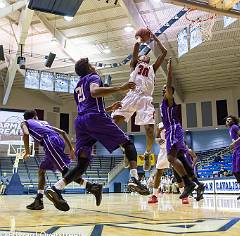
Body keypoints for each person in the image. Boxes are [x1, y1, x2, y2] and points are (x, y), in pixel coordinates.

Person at [45, 58, 149, 212]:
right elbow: (94, 93)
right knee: (128, 143)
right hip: (94, 118)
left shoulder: (77, 86)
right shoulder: (93, 77)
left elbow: (86, 106)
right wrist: (121, 88)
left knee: (82, 164)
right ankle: (134, 178)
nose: (94, 66)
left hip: (81, 122)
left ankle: (56, 188)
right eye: (91, 64)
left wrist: (108, 108)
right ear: (88, 68)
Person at [21, 110, 102, 210]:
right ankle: (39, 199)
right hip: (54, 141)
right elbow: (63, 132)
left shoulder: (25, 123)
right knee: (41, 170)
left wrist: (27, 151)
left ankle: (92, 187)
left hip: (49, 141)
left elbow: (25, 133)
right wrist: (71, 149)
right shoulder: (44, 123)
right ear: (35, 117)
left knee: (65, 171)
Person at [111, 30, 167, 172]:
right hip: (132, 94)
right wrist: (139, 39)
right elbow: (136, 50)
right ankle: (126, 149)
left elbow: (164, 53)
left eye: (147, 56)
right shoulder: (134, 64)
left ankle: (147, 154)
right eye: (143, 55)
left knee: (149, 131)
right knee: (113, 122)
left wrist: (155, 39)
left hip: (146, 99)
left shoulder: (153, 68)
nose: (145, 56)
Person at [160, 58, 196, 200]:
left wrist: (169, 69)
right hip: (173, 130)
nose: (164, 89)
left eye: (165, 88)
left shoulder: (169, 99)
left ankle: (188, 183)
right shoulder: (164, 102)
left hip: (173, 129)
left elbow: (169, 83)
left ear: (170, 91)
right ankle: (192, 183)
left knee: (170, 158)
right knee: (178, 157)